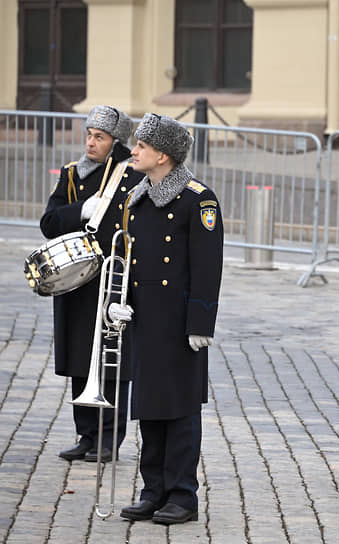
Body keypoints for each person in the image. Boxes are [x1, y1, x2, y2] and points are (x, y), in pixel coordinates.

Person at [113, 114, 223, 525]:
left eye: (140, 146)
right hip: (144, 320)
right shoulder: (138, 198)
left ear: (163, 155)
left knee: (178, 411)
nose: (134, 151)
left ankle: (182, 495)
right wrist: (116, 302)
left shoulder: (199, 200)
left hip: (179, 326)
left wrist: (200, 324)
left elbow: (207, 267)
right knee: (149, 407)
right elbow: (124, 260)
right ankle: (153, 489)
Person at [40, 105, 143, 463]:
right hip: (75, 281)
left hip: (113, 280)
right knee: (80, 357)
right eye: (89, 135)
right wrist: (81, 210)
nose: (90, 142)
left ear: (115, 143)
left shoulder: (131, 174)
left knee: (112, 359)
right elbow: (49, 223)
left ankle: (109, 439)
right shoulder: (71, 174)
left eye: (99, 137)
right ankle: (86, 434)